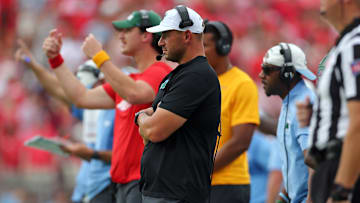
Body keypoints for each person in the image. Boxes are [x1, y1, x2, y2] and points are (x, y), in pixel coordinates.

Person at [42, 9, 172, 203]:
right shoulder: (129, 79)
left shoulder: (159, 71)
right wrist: (56, 59)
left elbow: (135, 93)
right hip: (122, 185)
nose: (121, 36)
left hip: (143, 184)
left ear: (146, 35)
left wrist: (99, 56)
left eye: (128, 31)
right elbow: (81, 97)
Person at [135, 5, 221, 203]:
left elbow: (154, 131)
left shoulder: (196, 76)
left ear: (187, 35)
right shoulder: (181, 74)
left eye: (165, 34)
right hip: (165, 192)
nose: (160, 41)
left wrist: (141, 117)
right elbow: (150, 131)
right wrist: (148, 121)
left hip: (177, 194)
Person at [15, 39, 114, 203]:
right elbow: (58, 90)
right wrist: (31, 63)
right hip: (84, 191)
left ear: (103, 81)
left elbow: (126, 156)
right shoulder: (90, 108)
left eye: (87, 86)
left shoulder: (117, 111)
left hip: (106, 189)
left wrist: (89, 153)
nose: (83, 91)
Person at [296, 0, 360, 202]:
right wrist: (321, 115)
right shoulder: (345, 44)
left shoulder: (355, 44)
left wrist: (342, 190)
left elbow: (359, 121)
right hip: (334, 165)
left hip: (343, 167)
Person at [202, 20, 259, 203]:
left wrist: (202, 168)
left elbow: (240, 142)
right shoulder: (199, 82)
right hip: (199, 183)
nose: (200, 51)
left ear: (223, 47)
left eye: (205, 45)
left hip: (227, 185)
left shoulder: (242, 84)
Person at [259, 43, 317, 203]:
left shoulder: (304, 102)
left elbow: (314, 162)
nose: (261, 75)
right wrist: (283, 198)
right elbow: (295, 163)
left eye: (267, 70)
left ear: (288, 74)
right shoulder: (289, 103)